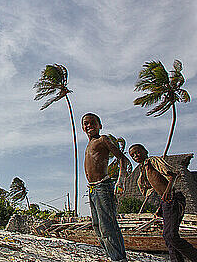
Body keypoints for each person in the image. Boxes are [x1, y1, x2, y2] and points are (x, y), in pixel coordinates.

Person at [129, 144, 197, 262]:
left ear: (145, 152)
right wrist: (160, 207)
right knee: (168, 237)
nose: (136, 156)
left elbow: (173, 175)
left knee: (171, 235)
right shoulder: (143, 171)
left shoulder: (153, 161)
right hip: (166, 202)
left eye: (138, 152)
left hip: (173, 199)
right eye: (133, 155)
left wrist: (168, 190)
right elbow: (156, 189)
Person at [82, 112, 131, 262]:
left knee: (107, 226)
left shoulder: (102, 140)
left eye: (92, 122)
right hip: (92, 189)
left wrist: (120, 181)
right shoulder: (89, 144)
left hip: (103, 186)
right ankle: (112, 256)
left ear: (100, 125)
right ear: (83, 128)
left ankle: (119, 258)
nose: (89, 125)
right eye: (86, 123)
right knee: (97, 226)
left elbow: (123, 159)